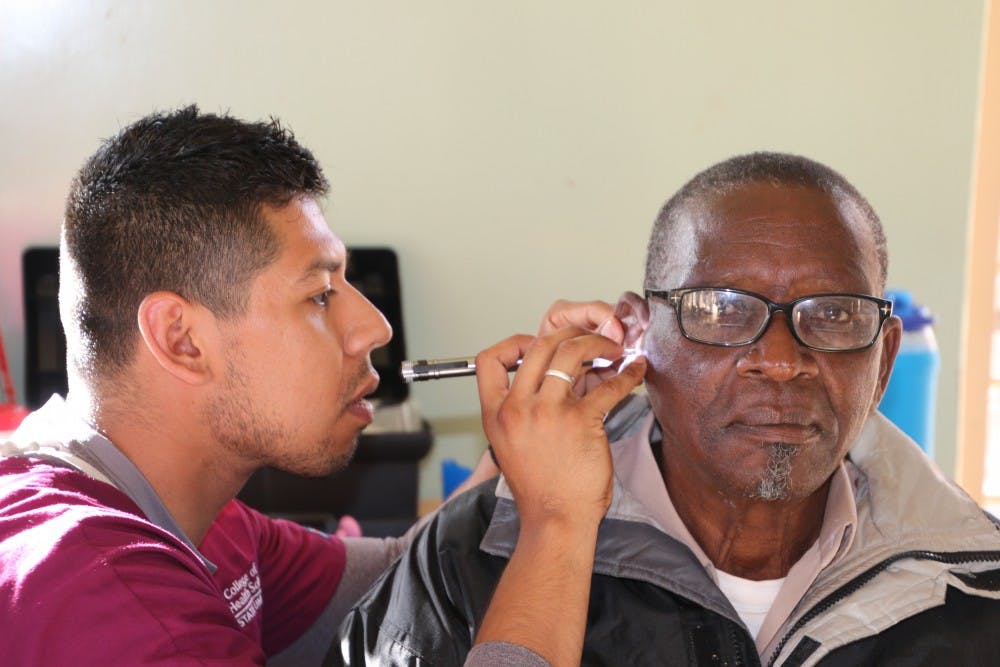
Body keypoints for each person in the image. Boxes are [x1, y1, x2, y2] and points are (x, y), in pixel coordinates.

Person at [0, 106, 646, 665]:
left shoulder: (191, 515)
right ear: (182, 338)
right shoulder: (110, 600)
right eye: (320, 293)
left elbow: (401, 576)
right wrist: (557, 520)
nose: (375, 326)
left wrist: (514, 450)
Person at [332, 152, 1000, 666]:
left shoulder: (977, 589)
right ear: (636, 335)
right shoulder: (469, 560)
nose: (780, 359)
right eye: (722, 310)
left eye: (831, 315)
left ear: (883, 361)